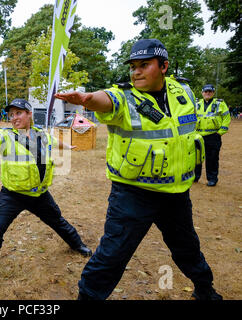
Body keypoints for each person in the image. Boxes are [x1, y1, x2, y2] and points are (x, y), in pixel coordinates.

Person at [55, 39, 222, 300]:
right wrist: (88, 99)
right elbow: (107, 99)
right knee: (112, 256)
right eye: (133, 66)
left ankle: (205, 290)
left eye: (144, 65)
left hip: (175, 193)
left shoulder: (185, 93)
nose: (136, 72)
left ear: (164, 66)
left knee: (188, 249)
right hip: (133, 196)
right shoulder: (126, 97)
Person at [0, 98, 92, 297]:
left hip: (39, 194)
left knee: (57, 220)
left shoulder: (41, 133)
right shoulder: (7, 136)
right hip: (12, 195)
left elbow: (55, 142)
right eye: (11, 114)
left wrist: (69, 148)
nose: (14, 118)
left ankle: (76, 244)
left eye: (18, 113)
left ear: (29, 114)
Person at [194, 84, 231, 187]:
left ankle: (212, 179)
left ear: (213, 93)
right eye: (206, 91)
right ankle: (195, 176)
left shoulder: (220, 103)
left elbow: (226, 118)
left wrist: (220, 132)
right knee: (196, 158)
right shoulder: (196, 104)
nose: (208, 93)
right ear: (202, 93)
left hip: (213, 136)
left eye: (210, 91)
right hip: (198, 136)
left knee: (212, 159)